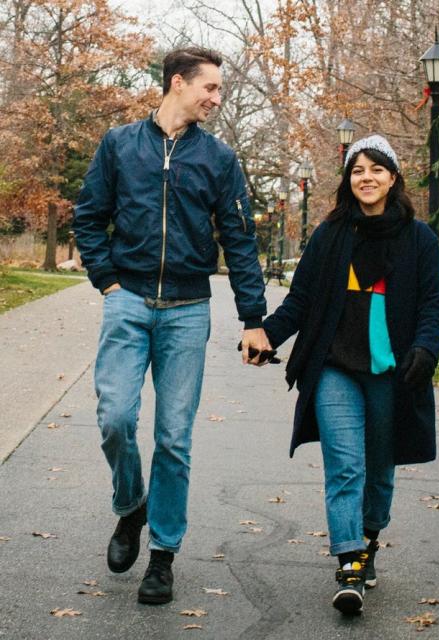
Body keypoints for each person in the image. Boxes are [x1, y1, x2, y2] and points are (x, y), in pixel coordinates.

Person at [72, 47, 272, 605]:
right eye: (210, 88)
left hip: (186, 309)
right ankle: (130, 504)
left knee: (173, 438)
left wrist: (254, 318)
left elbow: (240, 240)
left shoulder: (219, 159)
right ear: (178, 83)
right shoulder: (119, 145)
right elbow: (88, 216)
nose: (215, 99)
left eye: (220, 92)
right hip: (128, 301)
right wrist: (107, 280)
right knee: (114, 417)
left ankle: (162, 556)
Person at [261, 134, 439, 615]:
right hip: (334, 367)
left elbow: (434, 304)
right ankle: (348, 563)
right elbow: (301, 299)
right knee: (345, 465)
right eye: (357, 170)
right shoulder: (330, 235)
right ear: (348, 179)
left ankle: (368, 541)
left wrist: (426, 349)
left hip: (390, 371)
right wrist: (268, 335)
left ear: (393, 177)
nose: (366, 178)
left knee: (379, 470)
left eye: (376, 169)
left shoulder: (418, 237)